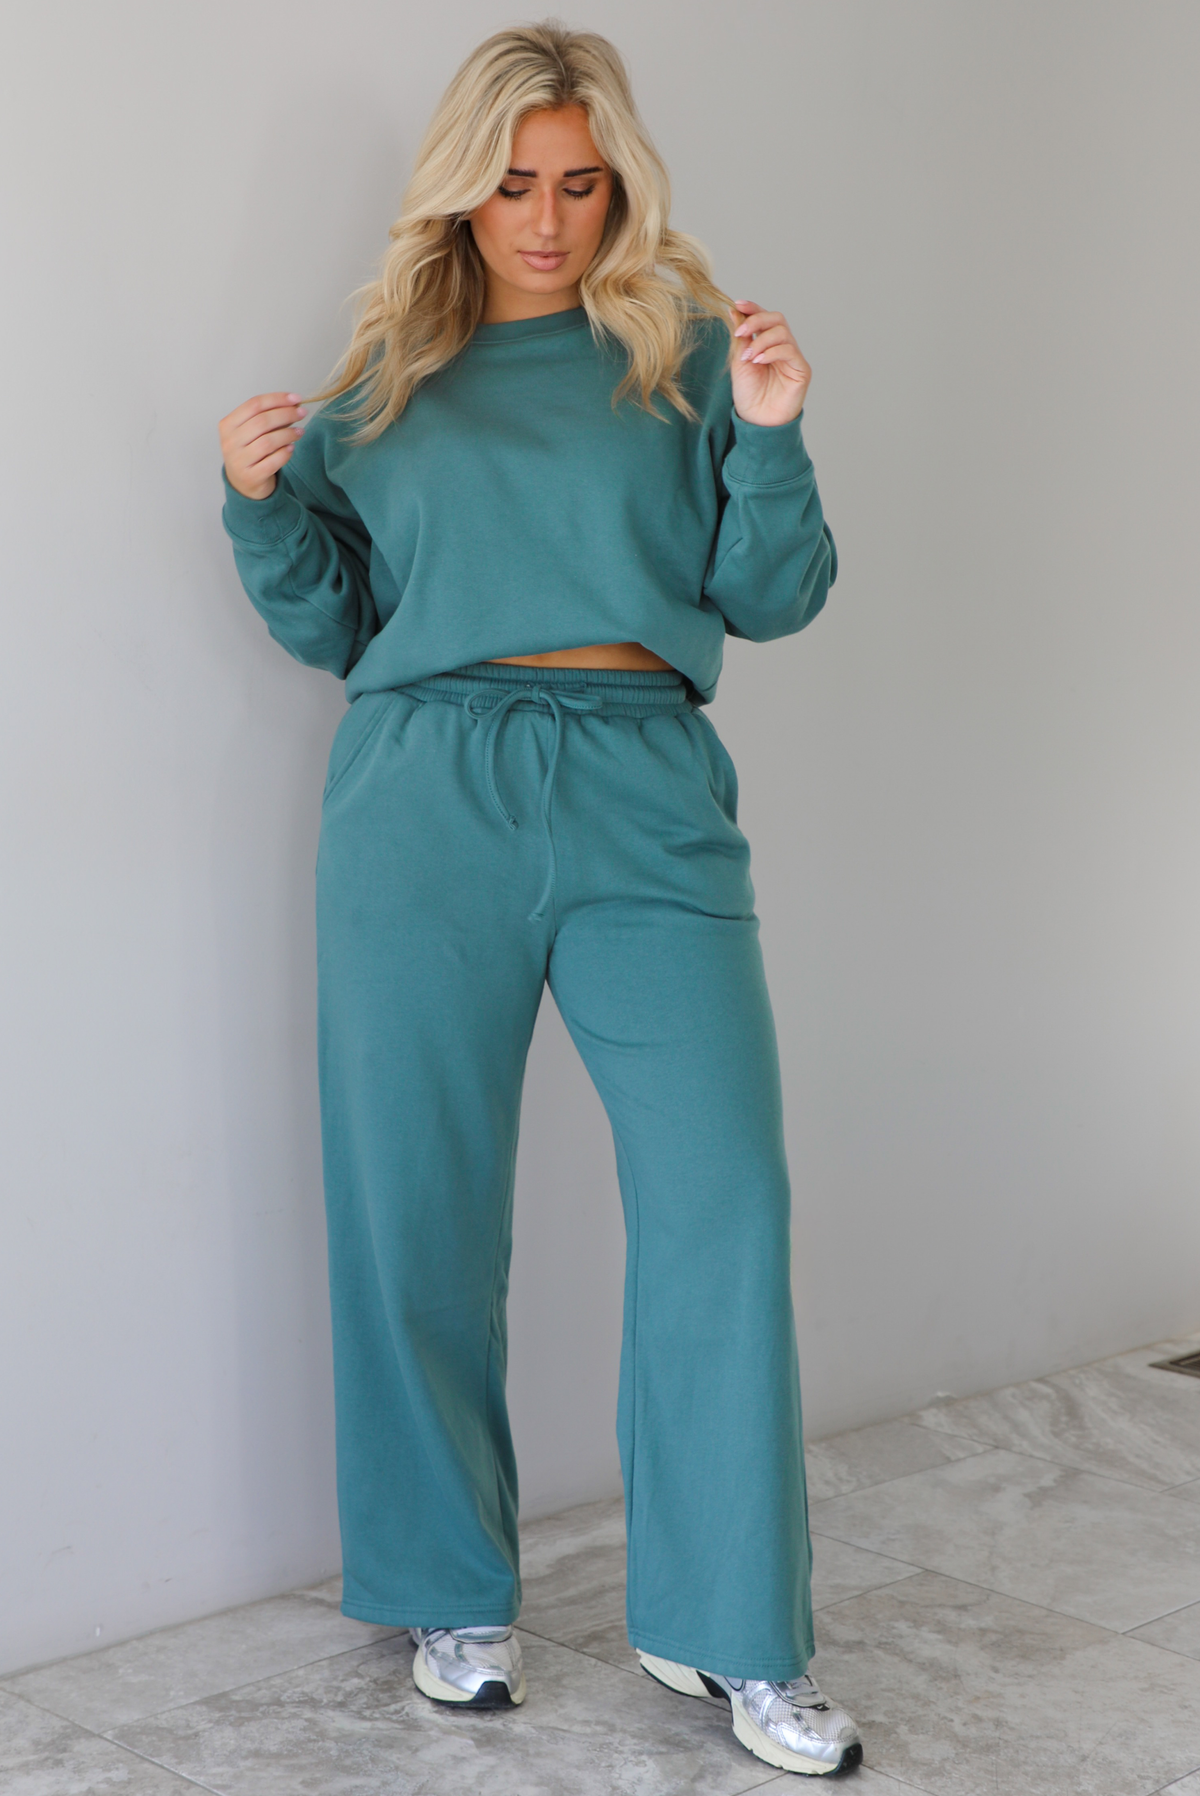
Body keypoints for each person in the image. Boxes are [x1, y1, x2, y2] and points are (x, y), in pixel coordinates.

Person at [218, 20, 861, 1780]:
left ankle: (736, 1632)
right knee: (415, 1205)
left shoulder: (696, 351)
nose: (549, 218)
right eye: (514, 183)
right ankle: (449, 1591)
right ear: (461, 186)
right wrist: (260, 501)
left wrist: (781, 433)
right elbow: (335, 626)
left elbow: (774, 591)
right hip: (425, 791)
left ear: (620, 182)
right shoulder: (383, 381)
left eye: (580, 183)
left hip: (648, 783)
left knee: (723, 1201)